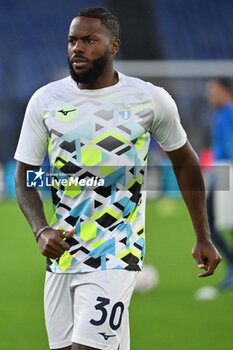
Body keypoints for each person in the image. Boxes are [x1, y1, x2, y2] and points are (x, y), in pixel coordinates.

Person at [14, 7, 221, 350]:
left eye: (88, 40)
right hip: (62, 255)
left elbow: (185, 163)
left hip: (116, 250)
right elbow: (25, 176)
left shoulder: (149, 99)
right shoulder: (46, 100)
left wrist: (203, 235)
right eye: (72, 41)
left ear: (114, 47)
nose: (76, 48)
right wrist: (41, 229)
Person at [206, 78, 233, 290]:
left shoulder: (229, 113)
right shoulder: (221, 114)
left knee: (213, 221)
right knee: (212, 221)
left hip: (229, 171)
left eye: (213, 91)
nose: (210, 95)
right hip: (222, 171)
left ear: (225, 91)